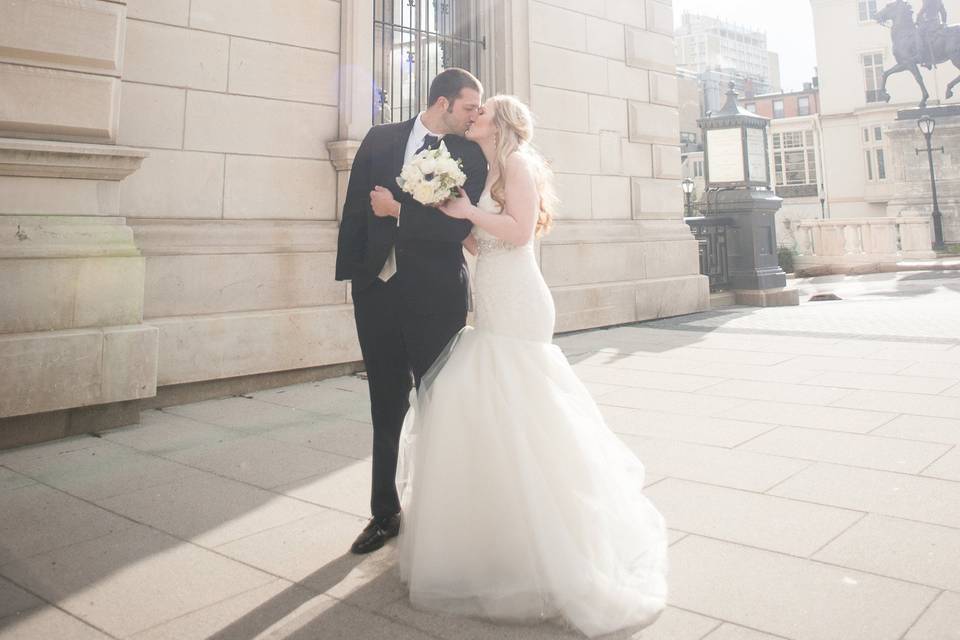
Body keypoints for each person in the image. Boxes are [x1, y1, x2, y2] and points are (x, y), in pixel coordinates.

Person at [393, 95, 668, 638]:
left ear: (503, 125)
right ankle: (500, 537)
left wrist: (467, 211)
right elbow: (484, 240)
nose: (474, 118)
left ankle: (554, 543)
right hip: (494, 293)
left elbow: (519, 233)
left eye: (483, 113)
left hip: (519, 300)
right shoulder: (490, 167)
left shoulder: (517, 164)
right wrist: (448, 211)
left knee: (523, 403)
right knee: (494, 408)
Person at [335, 68, 488, 555]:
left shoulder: (471, 155)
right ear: (442, 102)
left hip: (436, 296)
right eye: (469, 107)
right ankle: (384, 513)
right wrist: (356, 277)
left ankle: (445, 515)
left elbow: (454, 231)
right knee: (385, 404)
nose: (475, 115)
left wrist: (398, 210)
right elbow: (357, 207)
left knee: (439, 404)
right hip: (377, 295)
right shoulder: (380, 139)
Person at [916, 0, 947, 68]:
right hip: (937, 23)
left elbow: (923, 9)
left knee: (918, 34)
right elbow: (944, 12)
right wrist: (944, 22)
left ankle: (922, 57)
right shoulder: (939, 1)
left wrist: (917, 19)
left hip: (929, 23)